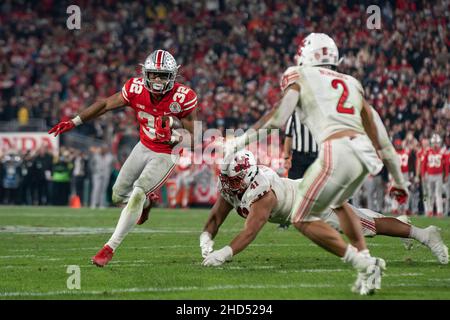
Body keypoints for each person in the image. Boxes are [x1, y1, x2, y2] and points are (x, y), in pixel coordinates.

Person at [220, 33, 409, 295]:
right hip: (363, 155)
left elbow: (277, 119)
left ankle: (363, 262)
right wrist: (399, 180)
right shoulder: (351, 82)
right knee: (340, 206)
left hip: (337, 150)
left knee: (301, 218)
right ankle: (368, 266)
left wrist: (241, 141)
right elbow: (381, 135)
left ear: (305, 57)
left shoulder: (300, 75)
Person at [48, 49, 198, 267]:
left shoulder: (184, 97)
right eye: (154, 74)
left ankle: (109, 248)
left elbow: (195, 139)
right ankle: (146, 203)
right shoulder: (135, 88)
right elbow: (106, 104)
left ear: (172, 76)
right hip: (143, 146)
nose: (157, 79)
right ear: (145, 73)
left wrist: (174, 136)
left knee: (137, 191)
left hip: (166, 153)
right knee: (118, 196)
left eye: (163, 75)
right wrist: (75, 121)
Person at [200, 151, 448, 273]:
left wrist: (224, 254)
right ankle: (402, 225)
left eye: (234, 179)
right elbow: (216, 217)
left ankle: (424, 234)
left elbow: (250, 231)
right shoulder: (235, 184)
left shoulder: (262, 192)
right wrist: (206, 240)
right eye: (227, 178)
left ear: (249, 176)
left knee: (365, 227)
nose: (229, 184)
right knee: (363, 219)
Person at [422, 134, 446, 217]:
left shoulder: (442, 152)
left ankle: (439, 211)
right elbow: (424, 164)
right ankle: (430, 210)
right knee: (430, 194)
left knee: (438, 193)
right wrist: (423, 174)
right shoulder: (428, 152)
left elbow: (445, 165)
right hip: (430, 175)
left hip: (439, 175)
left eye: (437, 143)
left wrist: (445, 175)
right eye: (434, 143)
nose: (435, 145)